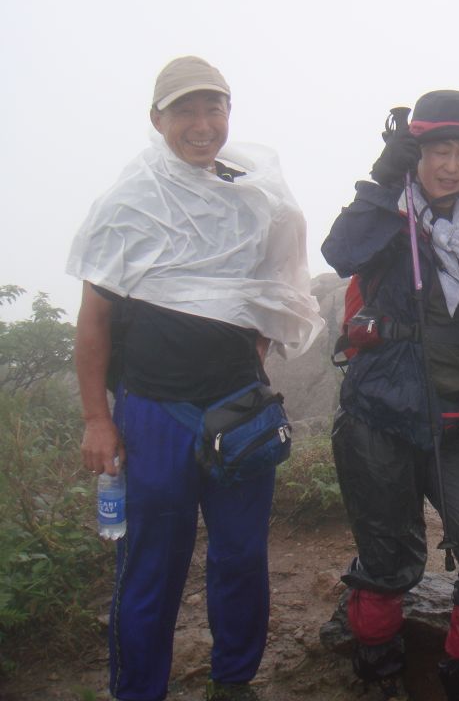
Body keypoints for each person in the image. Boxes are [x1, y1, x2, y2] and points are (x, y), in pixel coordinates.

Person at [67, 56, 323, 701]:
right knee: (151, 566)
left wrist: (245, 368)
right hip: (153, 411)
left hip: (239, 407)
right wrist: (99, 418)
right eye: (185, 109)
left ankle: (232, 681)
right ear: (158, 119)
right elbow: (95, 321)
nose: (202, 123)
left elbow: (269, 297)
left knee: (240, 558)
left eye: (215, 108)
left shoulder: (255, 200)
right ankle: (138, 691)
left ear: (229, 115)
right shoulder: (130, 204)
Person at [321, 90, 459, 700]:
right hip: (377, 408)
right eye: (439, 149)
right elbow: (341, 253)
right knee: (388, 558)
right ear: (415, 152)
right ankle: (379, 669)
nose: (452, 165)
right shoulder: (389, 212)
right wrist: (384, 179)